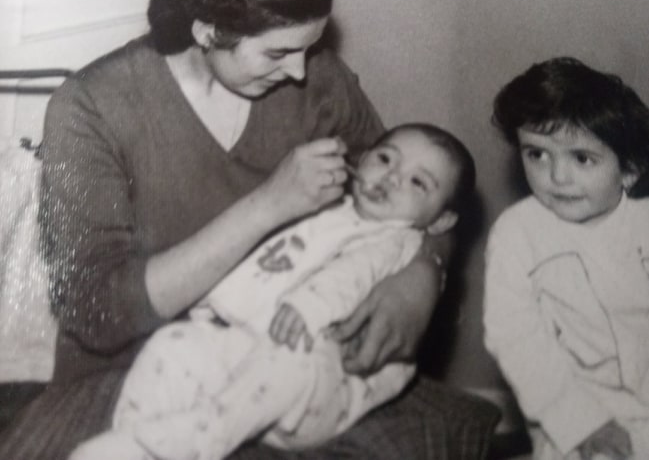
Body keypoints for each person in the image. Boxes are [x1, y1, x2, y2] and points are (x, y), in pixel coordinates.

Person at [0, 0, 499, 459]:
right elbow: (97, 314)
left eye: (310, 47)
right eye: (278, 54)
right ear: (207, 31)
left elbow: (424, 200)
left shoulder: (319, 78)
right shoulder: (94, 107)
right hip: (132, 366)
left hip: (293, 349)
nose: (300, 72)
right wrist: (268, 206)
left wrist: (422, 277)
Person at [69, 123, 476, 460]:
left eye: (418, 182)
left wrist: (312, 305)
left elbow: (354, 273)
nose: (392, 177)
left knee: (288, 361)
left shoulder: (399, 240)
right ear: (363, 158)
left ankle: (200, 441)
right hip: (252, 349)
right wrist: (217, 302)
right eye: (385, 159)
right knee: (173, 345)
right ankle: (132, 440)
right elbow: (273, 258)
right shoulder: (332, 208)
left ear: (441, 221)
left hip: (320, 387)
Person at [484, 57, 649, 460]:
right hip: (575, 408)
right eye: (537, 154)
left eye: (581, 158)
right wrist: (582, 423)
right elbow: (516, 338)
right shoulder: (517, 234)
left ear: (629, 170)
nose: (557, 177)